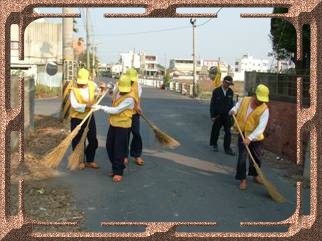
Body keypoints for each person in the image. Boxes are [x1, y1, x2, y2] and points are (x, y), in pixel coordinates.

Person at [92, 74, 137, 183]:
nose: (123, 91)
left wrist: (101, 107)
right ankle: (117, 166)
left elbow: (116, 110)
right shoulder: (118, 91)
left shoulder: (130, 98)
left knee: (118, 149)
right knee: (109, 146)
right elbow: (112, 93)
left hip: (123, 126)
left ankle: (118, 172)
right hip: (114, 123)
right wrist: (110, 87)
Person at [229, 84, 270, 190]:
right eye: (259, 99)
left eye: (262, 100)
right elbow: (237, 106)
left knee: (256, 158)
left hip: (256, 138)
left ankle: (255, 175)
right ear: (255, 95)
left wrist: (250, 138)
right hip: (243, 133)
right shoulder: (245, 100)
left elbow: (261, 127)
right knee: (242, 157)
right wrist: (233, 110)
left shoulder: (264, 110)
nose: (260, 102)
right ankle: (243, 179)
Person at [69, 68, 100, 169]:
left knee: (93, 140)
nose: (82, 84)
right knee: (77, 140)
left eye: (84, 82)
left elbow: (97, 92)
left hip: (89, 116)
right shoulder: (73, 90)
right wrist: (87, 106)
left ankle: (90, 160)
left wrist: (102, 89)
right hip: (77, 118)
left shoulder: (92, 85)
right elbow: (74, 105)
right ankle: (78, 160)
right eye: (80, 82)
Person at [209, 75, 235, 155]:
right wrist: (212, 115)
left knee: (228, 132)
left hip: (227, 115)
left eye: (229, 84)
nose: (228, 85)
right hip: (218, 115)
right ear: (223, 82)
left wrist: (232, 112)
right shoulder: (216, 91)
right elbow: (212, 104)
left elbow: (231, 104)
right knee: (216, 130)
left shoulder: (230, 92)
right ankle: (214, 144)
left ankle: (227, 148)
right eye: (227, 83)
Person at [124, 68, 144, 166]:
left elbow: (138, 99)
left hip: (134, 113)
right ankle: (124, 156)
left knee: (136, 133)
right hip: (123, 113)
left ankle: (137, 155)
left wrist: (138, 107)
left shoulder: (138, 86)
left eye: (133, 79)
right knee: (125, 134)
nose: (131, 81)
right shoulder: (120, 84)